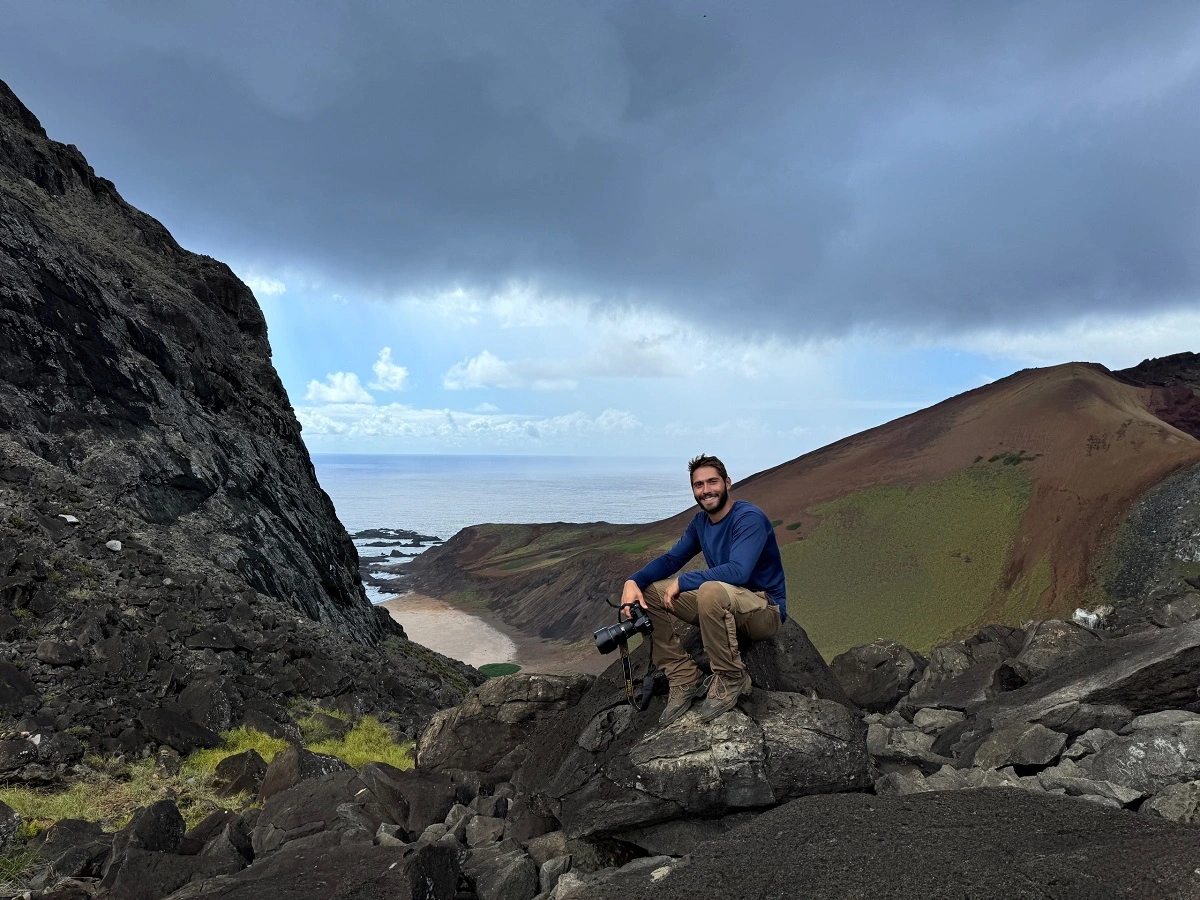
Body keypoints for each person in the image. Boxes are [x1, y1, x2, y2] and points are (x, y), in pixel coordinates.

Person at [621, 453, 787, 726]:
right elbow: (671, 560)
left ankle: (731, 676)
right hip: (724, 604)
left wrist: (684, 581)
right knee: (649, 593)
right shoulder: (700, 523)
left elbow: (739, 571)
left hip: (763, 610)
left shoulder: (748, 518)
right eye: (699, 485)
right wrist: (632, 582)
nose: (706, 490)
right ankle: (684, 676)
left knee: (710, 589)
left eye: (712, 482)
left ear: (727, 483)